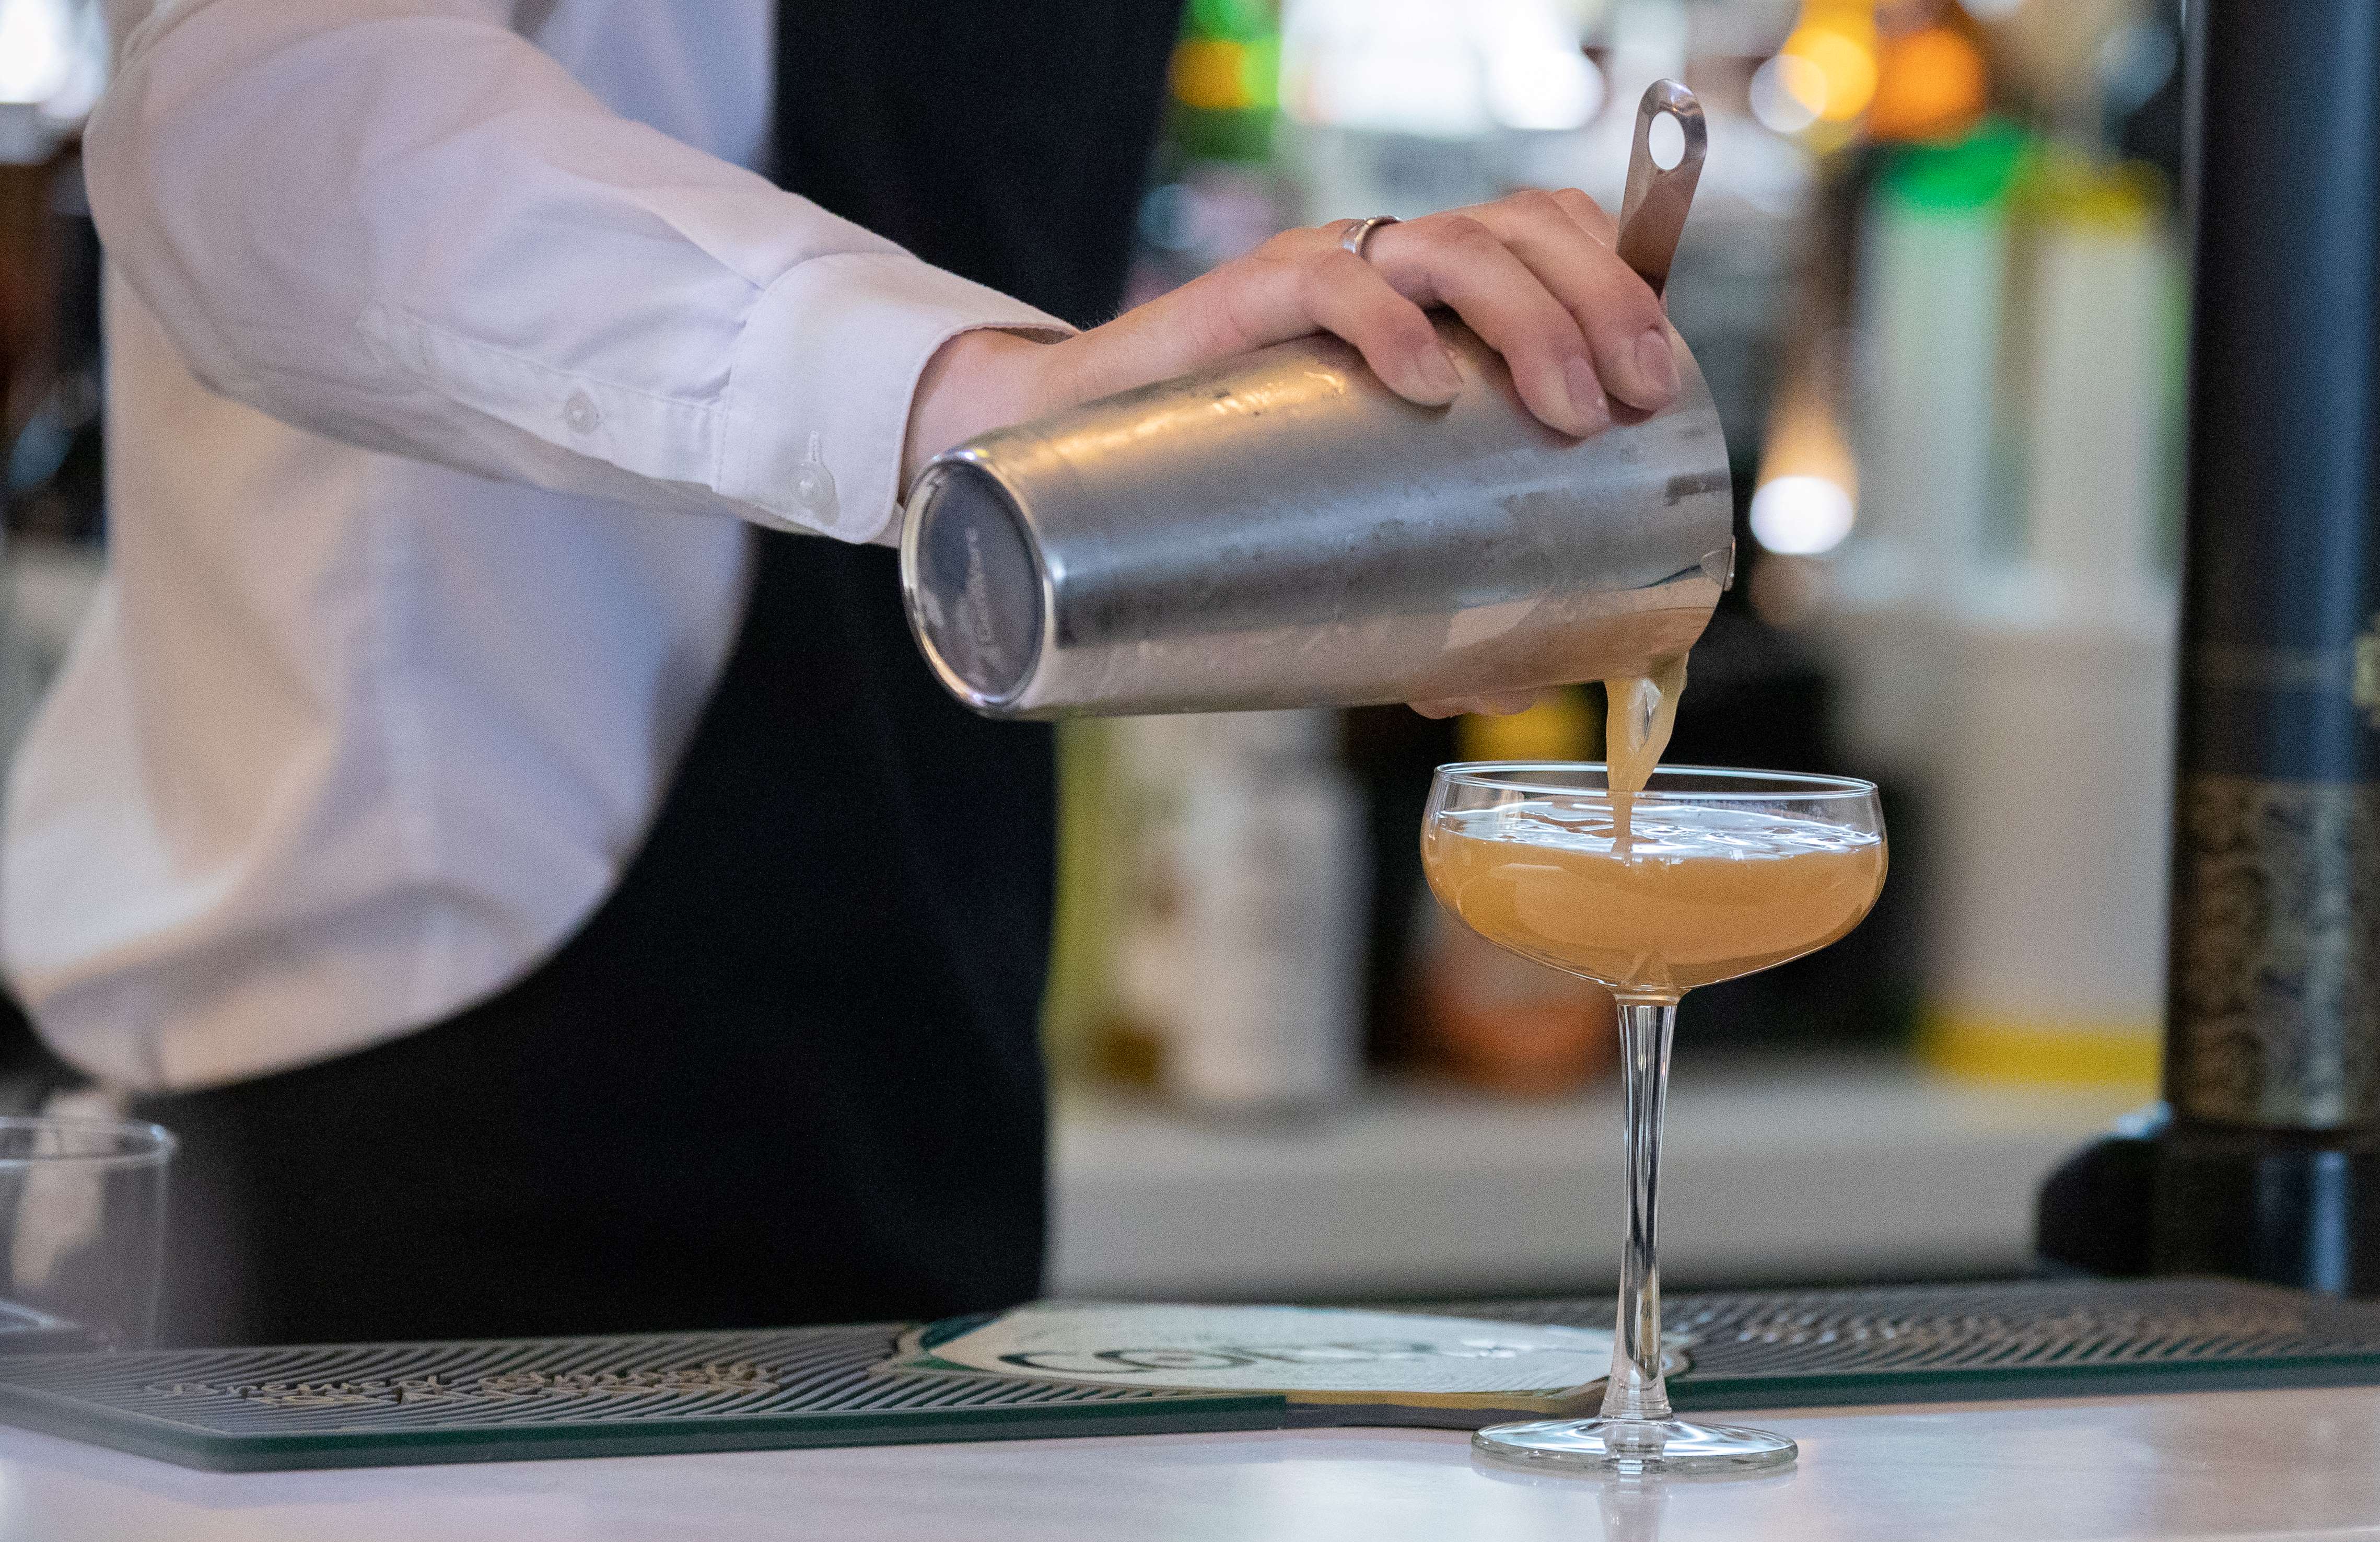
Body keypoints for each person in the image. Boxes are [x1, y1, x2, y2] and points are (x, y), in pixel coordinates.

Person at [0, 0, 1683, 1346]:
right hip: (388, 1120)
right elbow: (257, 116)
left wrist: (1264, 459)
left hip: (924, 1056)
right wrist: (997, 399)